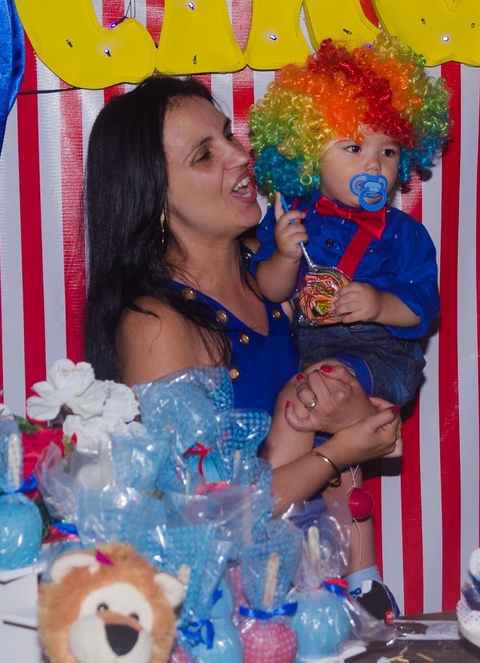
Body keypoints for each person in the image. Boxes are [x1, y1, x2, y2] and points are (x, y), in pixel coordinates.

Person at [83, 75, 400, 608]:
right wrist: (340, 452)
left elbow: (364, 430)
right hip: (236, 618)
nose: (239, 155)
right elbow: (197, 521)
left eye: (230, 135)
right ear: (154, 196)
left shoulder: (286, 263)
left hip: (333, 586)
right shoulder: (154, 325)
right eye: (205, 155)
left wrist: (360, 422)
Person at [248, 35, 449, 408]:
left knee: (320, 387)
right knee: (288, 397)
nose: (374, 165)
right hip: (304, 353)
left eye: (388, 151)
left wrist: (379, 305)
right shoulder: (291, 219)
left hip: (378, 358)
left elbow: (422, 307)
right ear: (308, 152)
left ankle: (361, 425)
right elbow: (270, 292)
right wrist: (285, 258)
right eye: (354, 147)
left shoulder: (405, 234)